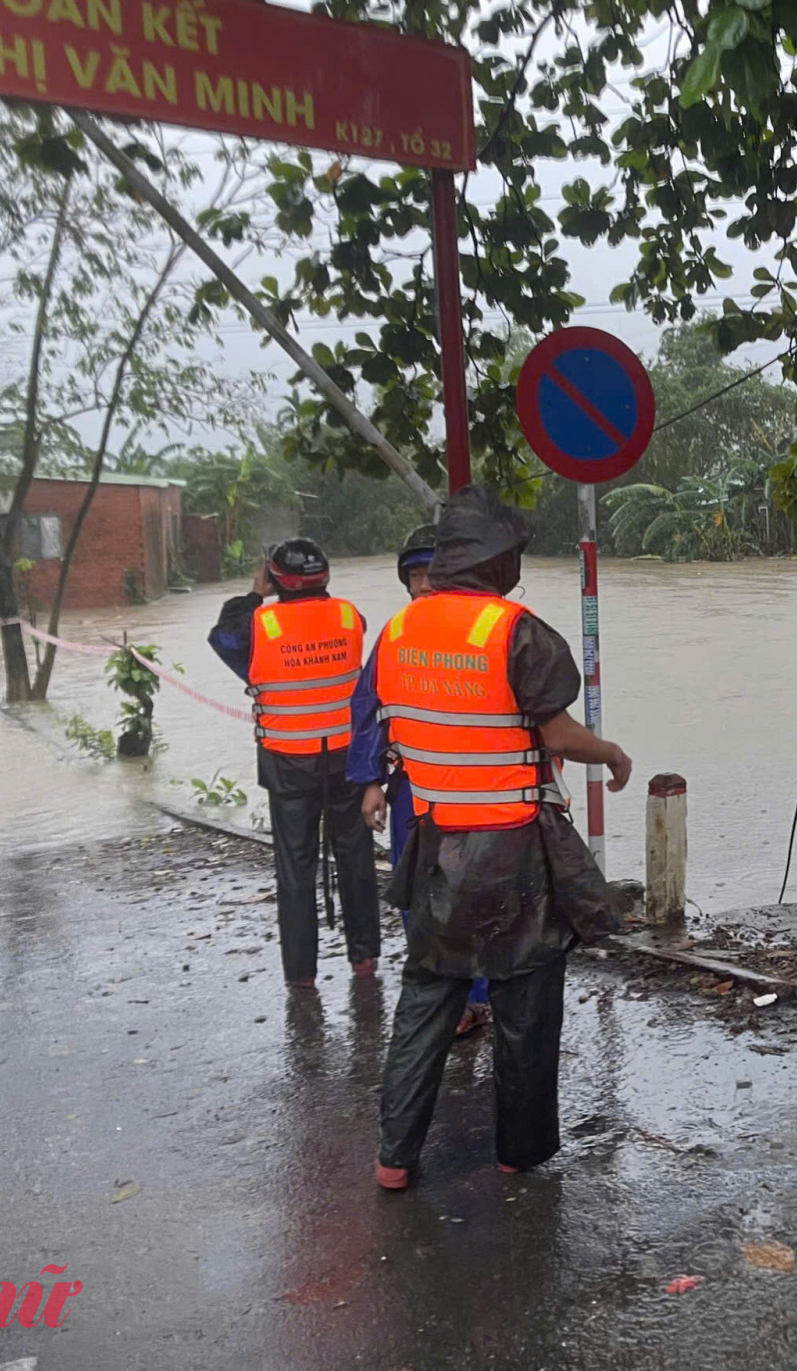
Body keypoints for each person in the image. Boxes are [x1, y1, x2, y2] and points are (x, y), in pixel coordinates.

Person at [357, 487, 632, 1187]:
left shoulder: (395, 633)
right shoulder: (517, 631)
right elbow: (557, 732)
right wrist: (612, 754)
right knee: (527, 1006)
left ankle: (394, 1157)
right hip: (513, 853)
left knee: (425, 999)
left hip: (436, 843)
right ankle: (520, 1152)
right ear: (495, 560)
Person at [208, 538, 381, 992]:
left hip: (288, 764)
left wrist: (253, 593)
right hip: (346, 759)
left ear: (274, 579)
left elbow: (222, 637)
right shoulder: (350, 617)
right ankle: (364, 960)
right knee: (356, 860)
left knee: (295, 868)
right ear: (326, 576)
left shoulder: (257, 625)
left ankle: (301, 975)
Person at [354, 524, 491, 1036]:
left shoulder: (489, 628)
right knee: (418, 896)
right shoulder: (395, 635)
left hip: (482, 789)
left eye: (433, 571)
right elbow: (370, 710)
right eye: (415, 574)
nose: (425, 584)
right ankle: (447, 997)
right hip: (414, 790)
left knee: (478, 895)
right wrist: (371, 781)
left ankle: (482, 997)